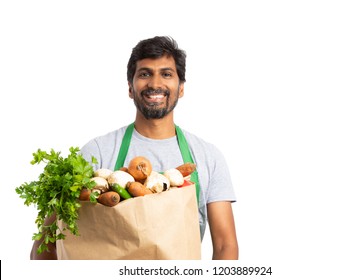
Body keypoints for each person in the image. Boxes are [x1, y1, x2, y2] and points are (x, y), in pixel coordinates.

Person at [31, 36, 238, 260]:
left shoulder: (208, 157)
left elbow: (225, 246)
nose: (155, 83)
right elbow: (46, 243)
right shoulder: (98, 152)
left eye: (166, 74)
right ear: (130, 88)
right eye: (144, 74)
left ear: (181, 89)